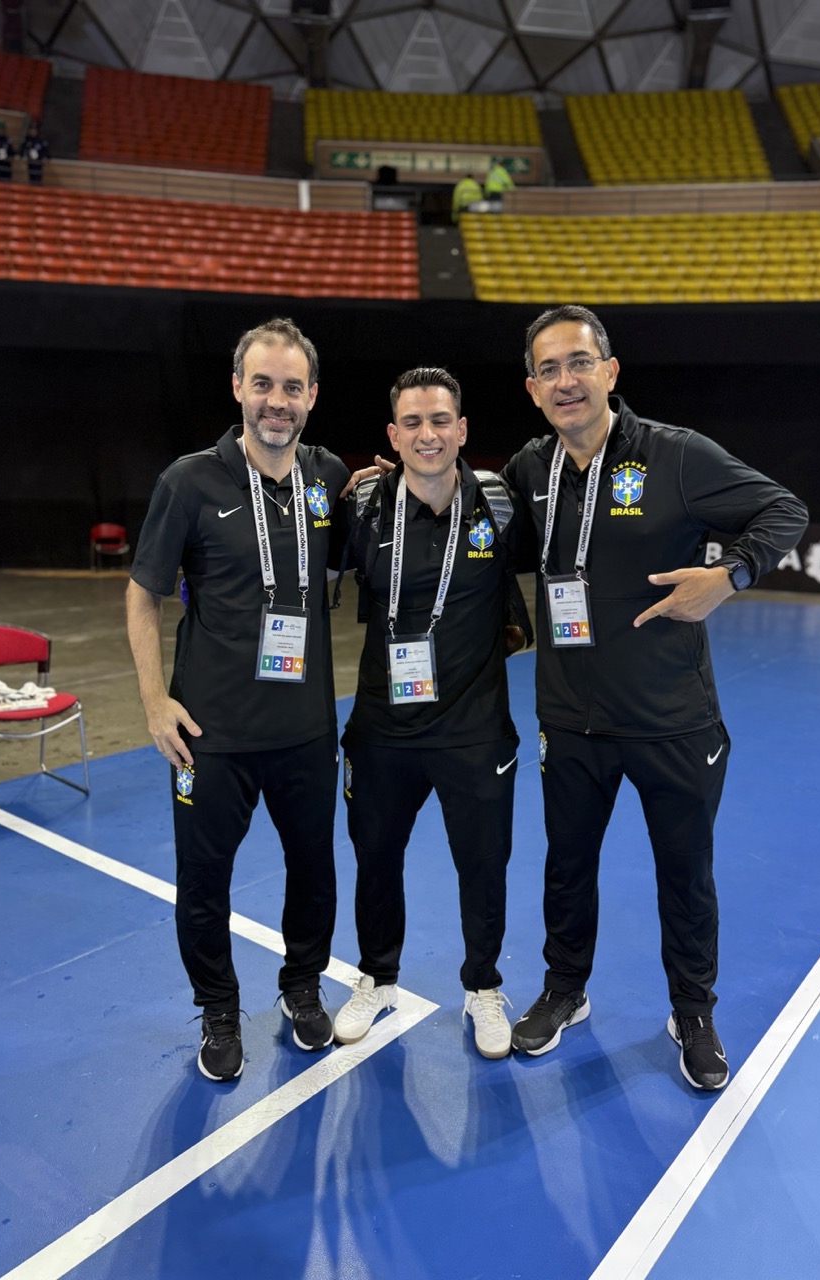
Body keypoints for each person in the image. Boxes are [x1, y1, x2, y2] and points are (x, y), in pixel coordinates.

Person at [502, 304, 808, 1090]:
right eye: (548, 369)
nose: (565, 381)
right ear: (532, 387)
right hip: (570, 720)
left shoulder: (673, 456)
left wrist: (729, 575)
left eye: (578, 363)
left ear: (609, 371)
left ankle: (692, 1012)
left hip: (672, 718)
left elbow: (784, 509)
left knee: (686, 872)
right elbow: (476, 534)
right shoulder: (530, 472)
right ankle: (564, 992)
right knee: (566, 870)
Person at [126, 317, 350, 1082]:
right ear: (237, 388)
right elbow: (142, 595)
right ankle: (219, 1009)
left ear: (312, 395)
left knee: (314, 871)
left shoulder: (328, 477)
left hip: (305, 733)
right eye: (263, 384)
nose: (276, 400)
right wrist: (155, 703)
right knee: (204, 884)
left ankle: (301, 987)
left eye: (292, 386)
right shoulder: (189, 482)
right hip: (208, 734)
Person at [333, 367, 532, 1059]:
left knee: (484, 865)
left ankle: (482, 988)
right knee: (375, 862)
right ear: (393, 434)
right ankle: (377, 978)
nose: (428, 434)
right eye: (413, 422)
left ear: (463, 429)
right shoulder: (360, 505)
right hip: (383, 731)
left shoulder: (501, 502)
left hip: (475, 733)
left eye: (441, 420)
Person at [19, 120, 50, 184]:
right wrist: (22, 156)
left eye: (34, 130)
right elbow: (22, 149)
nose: (33, 131)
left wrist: (45, 157)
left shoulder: (40, 140)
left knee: (38, 176)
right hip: (30, 161)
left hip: (38, 162)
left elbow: (45, 150)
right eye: (32, 130)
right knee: (31, 176)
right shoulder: (27, 139)